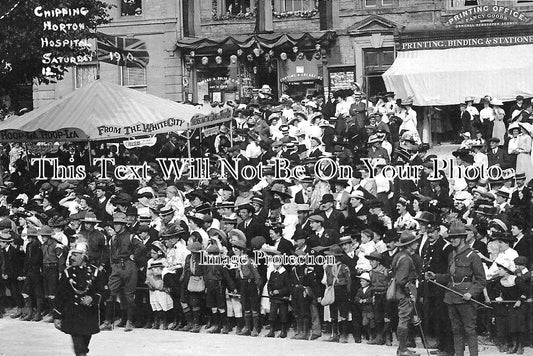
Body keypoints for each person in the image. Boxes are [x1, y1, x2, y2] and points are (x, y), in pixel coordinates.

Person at [426, 221, 487, 356]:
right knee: (456, 330)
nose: (452, 240)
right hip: (451, 297)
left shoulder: (473, 256)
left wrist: (471, 293)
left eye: (455, 237)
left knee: (469, 330)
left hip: (466, 298)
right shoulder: (451, 255)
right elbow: (449, 276)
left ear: (463, 238)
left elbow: (481, 280)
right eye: (450, 237)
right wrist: (435, 276)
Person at [53, 242, 107, 356]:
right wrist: (57, 316)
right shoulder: (67, 273)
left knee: (84, 346)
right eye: (72, 255)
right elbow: (60, 295)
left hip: (89, 314)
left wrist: (92, 298)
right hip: (73, 314)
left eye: (75, 255)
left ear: (83, 256)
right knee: (79, 348)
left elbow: (104, 291)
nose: (72, 257)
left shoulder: (95, 272)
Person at [391, 230, 420, 356]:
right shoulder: (406, 259)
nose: (417, 244)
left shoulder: (398, 256)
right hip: (405, 292)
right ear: (409, 245)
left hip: (401, 292)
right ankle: (402, 349)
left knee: (404, 318)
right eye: (414, 242)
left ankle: (402, 348)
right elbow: (401, 280)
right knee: (404, 319)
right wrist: (409, 294)